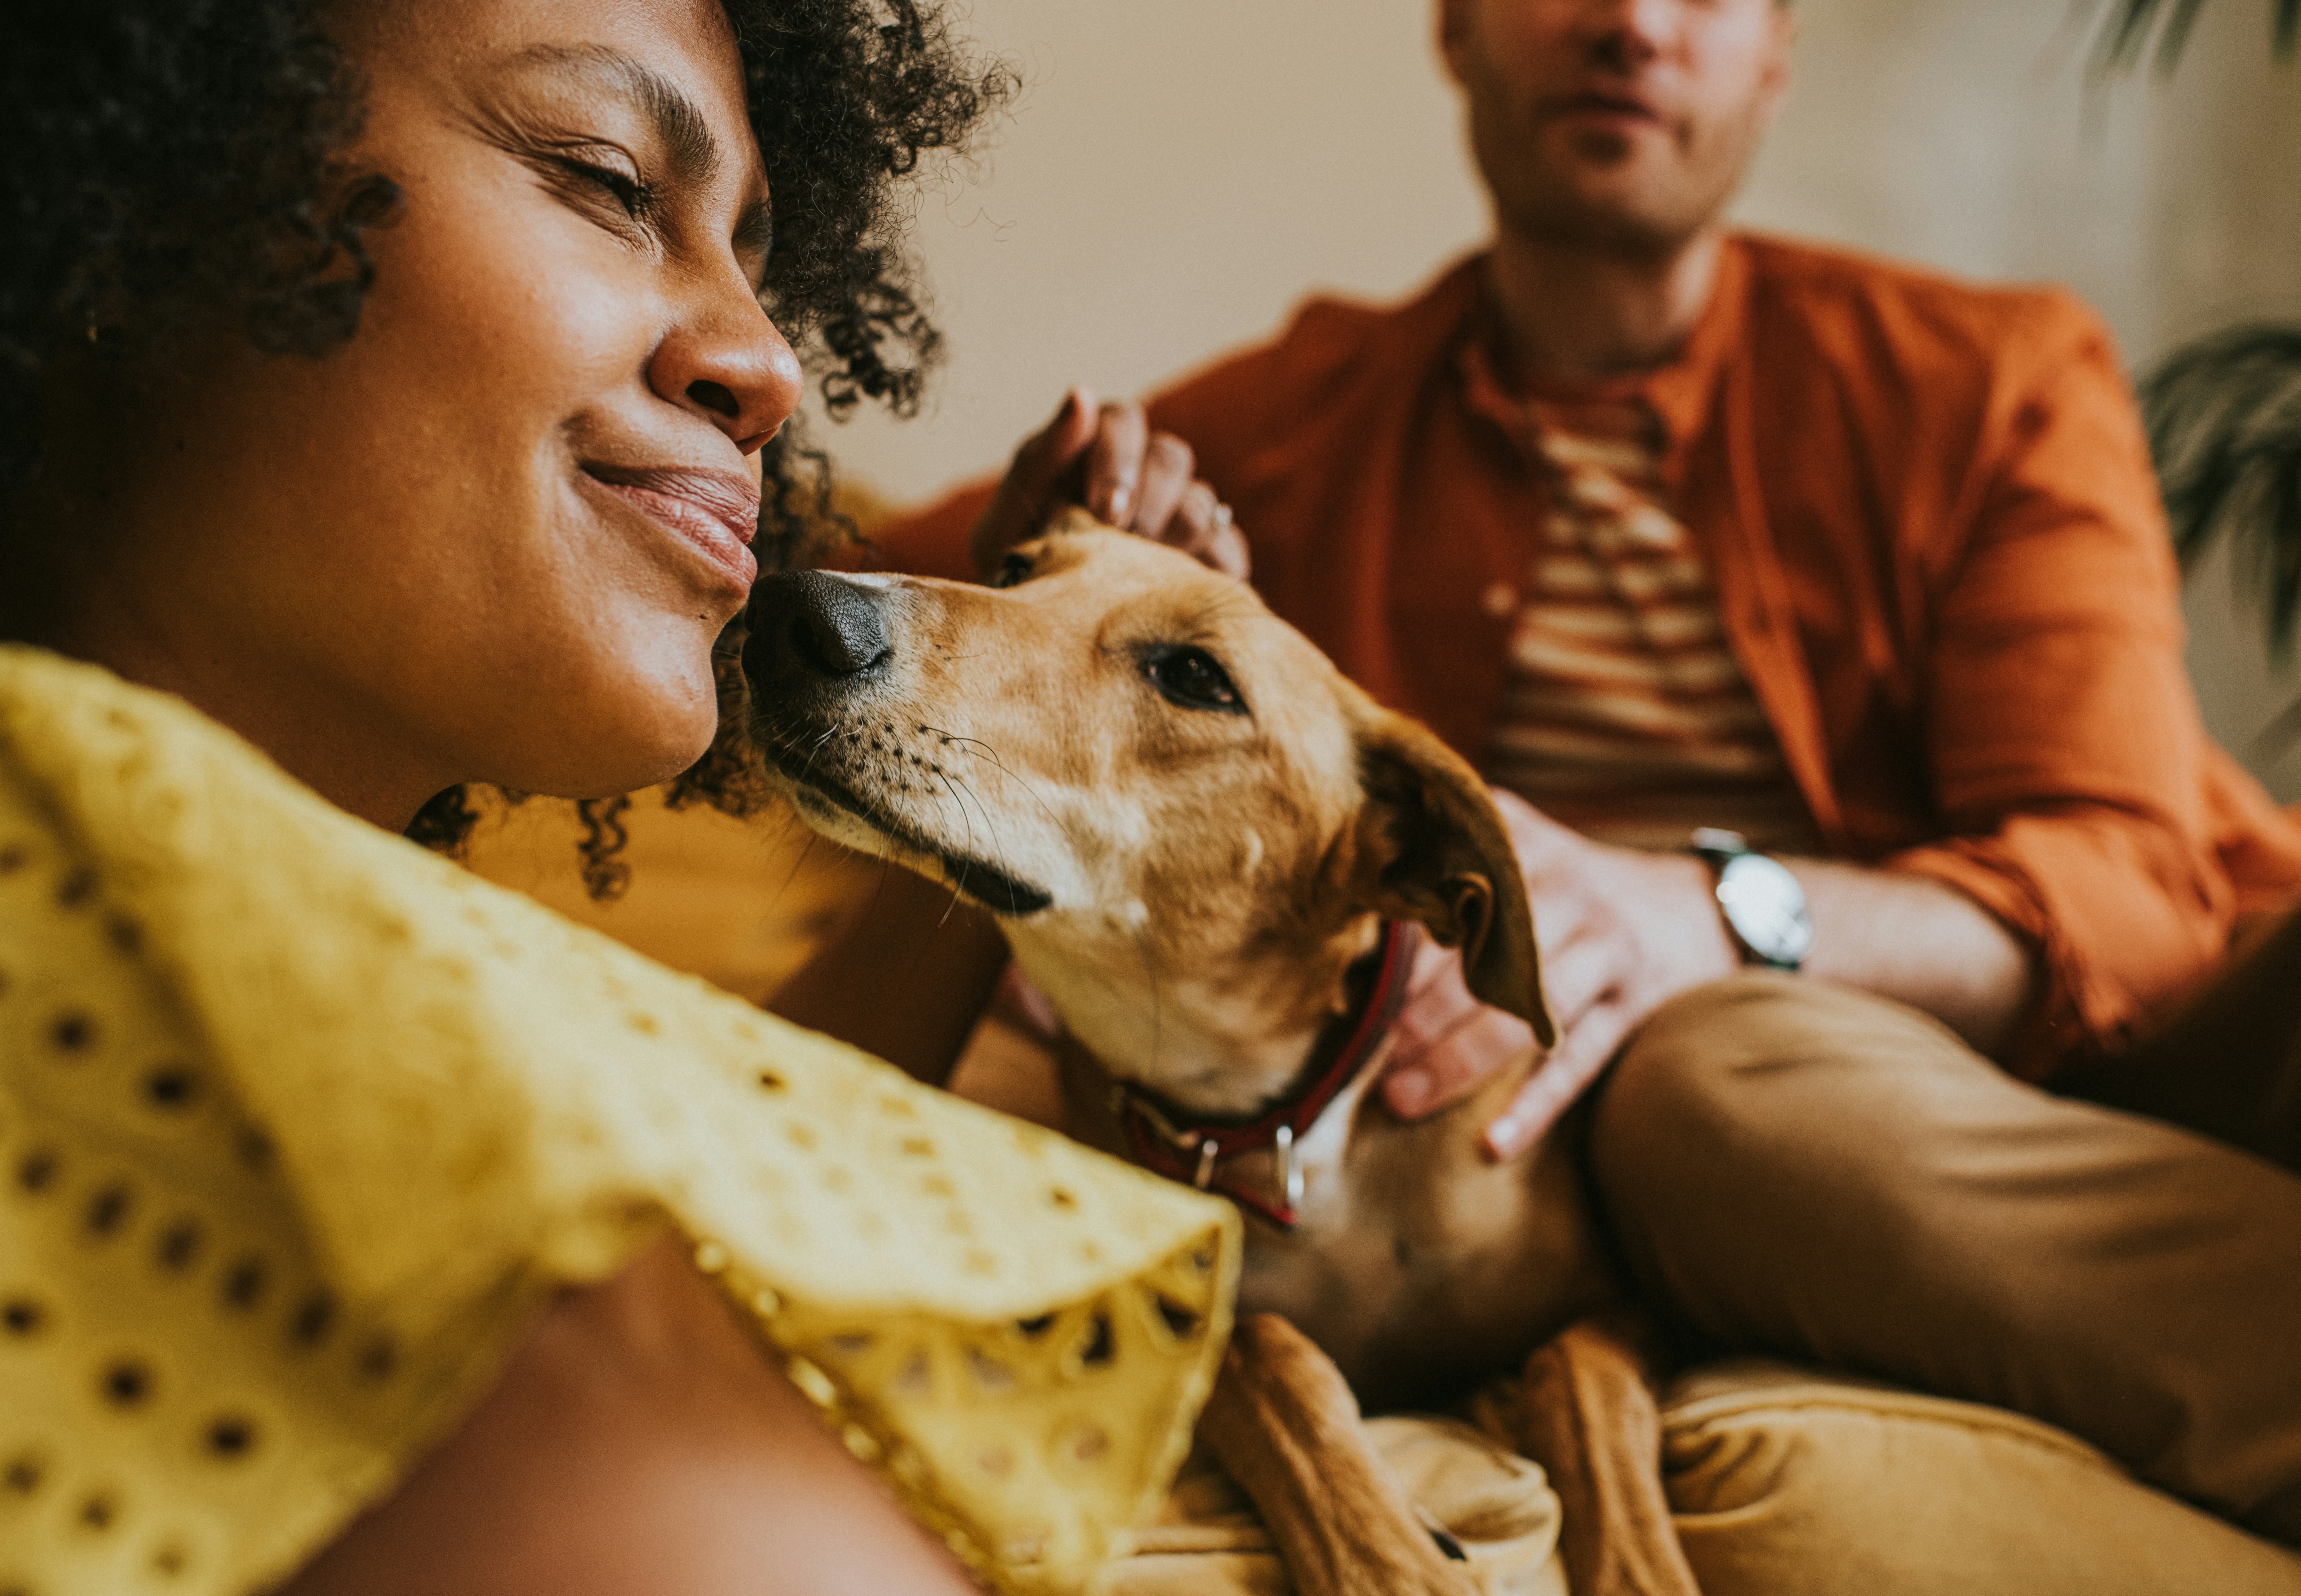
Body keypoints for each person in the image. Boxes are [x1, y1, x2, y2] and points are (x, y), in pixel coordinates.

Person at [867, 0, 2301, 1545]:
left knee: (1703, 1074)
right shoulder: (1297, 428)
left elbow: (2142, 901)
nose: (1629, 22)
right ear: (1460, 33)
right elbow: (830, 604)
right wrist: (1036, 550)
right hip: (1559, 1158)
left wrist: (1706, 917)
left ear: (1778, 54)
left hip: (2054, 1077)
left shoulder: (1989, 380)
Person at [0, 3, 1237, 1593]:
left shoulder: (268, 1002)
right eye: (601, 177)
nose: (766, 364)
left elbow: (725, 1215)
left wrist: (975, 763)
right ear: (139, 162)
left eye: (755, 261)